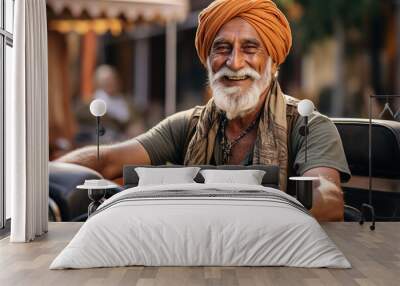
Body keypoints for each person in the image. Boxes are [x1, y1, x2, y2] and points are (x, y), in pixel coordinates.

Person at [56, 0, 351, 221]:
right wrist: (44, 176)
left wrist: (275, 205)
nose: (235, 63)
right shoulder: (189, 125)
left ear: (273, 64)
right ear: (207, 61)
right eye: (222, 48)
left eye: (250, 49)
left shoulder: (308, 125)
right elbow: (106, 160)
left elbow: (329, 197)